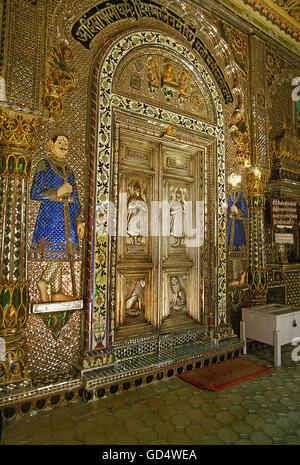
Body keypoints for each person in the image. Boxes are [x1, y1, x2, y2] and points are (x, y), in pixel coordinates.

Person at [30, 131, 85, 302]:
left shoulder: (69, 170)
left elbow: (74, 197)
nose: (64, 144)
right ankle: (43, 281)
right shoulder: (43, 165)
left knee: (63, 251)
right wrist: (57, 192)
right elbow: (35, 192)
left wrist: (80, 220)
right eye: (60, 141)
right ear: (51, 144)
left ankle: (56, 291)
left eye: (66, 142)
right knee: (58, 251)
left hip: (67, 217)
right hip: (51, 217)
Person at [228, 173, 248, 286]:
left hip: (238, 227)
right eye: (232, 177)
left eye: (235, 177)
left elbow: (245, 213)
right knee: (231, 251)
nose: (233, 179)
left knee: (238, 251)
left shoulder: (240, 194)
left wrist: (237, 211)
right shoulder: (229, 194)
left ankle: (241, 275)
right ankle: (238, 275)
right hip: (231, 225)